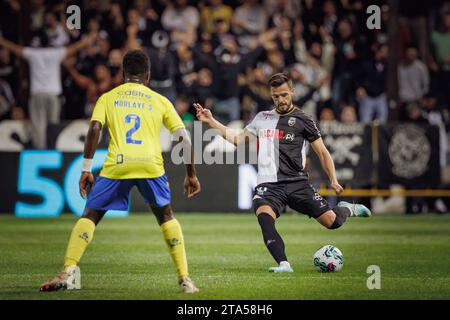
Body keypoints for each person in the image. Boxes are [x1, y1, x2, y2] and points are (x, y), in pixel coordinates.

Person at [39, 50, 201, 293]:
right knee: (166, 216)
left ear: (123, 74)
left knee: (91, 214)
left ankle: (69, 271)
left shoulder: (108, 97)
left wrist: (86, 168)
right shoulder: (160, 100)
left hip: (118, 164)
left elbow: (95, 128)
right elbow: (184, 139)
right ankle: (185, 279)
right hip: (150, 164)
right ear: (147, 76)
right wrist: (191, 174)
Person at [194, 73, 371, 273]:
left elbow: (322, 151)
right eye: (276, 96)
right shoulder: (262, 118)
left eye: (284, 95)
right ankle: (284, 264)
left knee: (332, 223)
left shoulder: (304, 120)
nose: (281, 100)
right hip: (268, 186)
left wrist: (333, 179)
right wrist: (211, 121)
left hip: (297, 183)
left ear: (292, 92)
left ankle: (347, 209)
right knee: (264, 217)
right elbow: (236, 139)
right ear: (271, 95)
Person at [0, 31, 97, 149]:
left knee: (38, 127)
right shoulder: (55, 53)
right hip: (53, 95)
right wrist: (88, 40)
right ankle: (52, 151)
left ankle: (41, 153)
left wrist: (3, 41)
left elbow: (15, 48)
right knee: (53, 125)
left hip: (37, 95)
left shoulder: (33, 53)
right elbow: (74, 48)